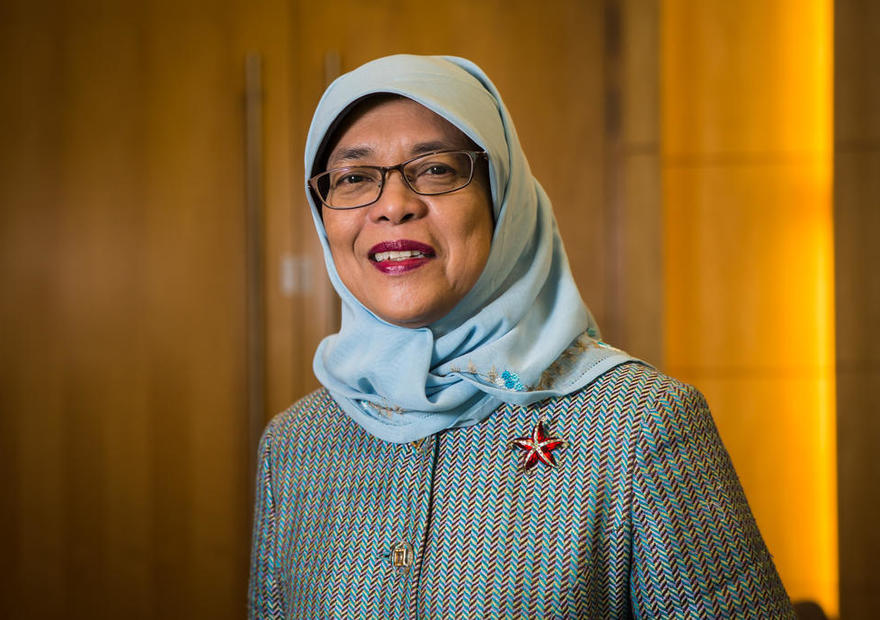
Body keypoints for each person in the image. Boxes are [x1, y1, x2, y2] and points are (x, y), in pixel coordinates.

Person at [248, 54, 794, 619]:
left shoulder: (639, 424)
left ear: (503, 199)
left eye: (435, 170)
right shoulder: (295, 444)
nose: (393, 207)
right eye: (354, 177)